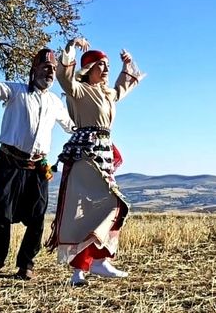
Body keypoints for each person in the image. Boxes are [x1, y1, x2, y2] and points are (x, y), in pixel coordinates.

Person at [0, 42, 73, 281]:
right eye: (46, 67)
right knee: (1, 211)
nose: (50, 72)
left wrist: (92, 127)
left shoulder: (56, 103)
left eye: (53, 68)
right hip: (9, 162)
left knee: (38, 215)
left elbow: (71, 127)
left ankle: (26, 264)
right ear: (34, 69)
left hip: (38, 166)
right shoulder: (16, 91)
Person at [46, 37, 145, 286]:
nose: (106, 69)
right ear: (89, 68)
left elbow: (123, 86)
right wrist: (70, 47)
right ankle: (88, 266)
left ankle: (93, 264)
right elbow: (65, 78)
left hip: (103, 153)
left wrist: (127, 64)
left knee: (103, 207)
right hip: (85, 155)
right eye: (102, 65)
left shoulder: (108, 94)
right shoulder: (79, 91)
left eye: (108, 65)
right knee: (96, 207)